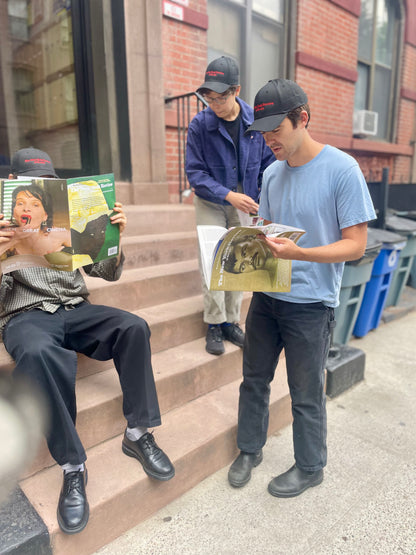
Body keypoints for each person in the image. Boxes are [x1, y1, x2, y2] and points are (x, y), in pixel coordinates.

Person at [0, 148, 175, 534]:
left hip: (75, 308)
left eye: (42, 191)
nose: (32, 201)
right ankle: (72, 465)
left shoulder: (67, 225)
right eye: (24, 194)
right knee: (38, 352)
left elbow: (106, 272)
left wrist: (114, 237)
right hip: (25, 315)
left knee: (133, 326)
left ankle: (138, 433)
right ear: (12, 190)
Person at [227, 79, 376, 497]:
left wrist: (300, 255)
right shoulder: (272, 173)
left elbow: (356, 245)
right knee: (253, 379)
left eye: (277, 128)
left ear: (303, 118)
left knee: (305, 393)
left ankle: (311, 467)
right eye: (263, 131)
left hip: (311, 304)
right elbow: (269, 234)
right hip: (267, 297)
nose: (269, 139)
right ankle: (249, 449)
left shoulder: (343, 169)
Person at [186, 56, 275, 355]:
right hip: (211, 200)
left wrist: (261, 198)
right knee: (211, 259)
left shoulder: (256, 123)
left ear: (236, 90)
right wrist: (227, 194)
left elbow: (267, 165)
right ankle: (213, 322)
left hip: (246, 201)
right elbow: (195, 173)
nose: (214, 103)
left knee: (240, 259)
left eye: (221, 97)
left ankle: (231, 322)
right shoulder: (199, 124)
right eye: (208, 97)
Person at [0, 183, 71, 258]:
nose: (26, 209)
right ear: (13, 213)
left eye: (35, 205)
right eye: (20, 203)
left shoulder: (61, 235)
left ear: (45, 216)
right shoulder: (4, 234)